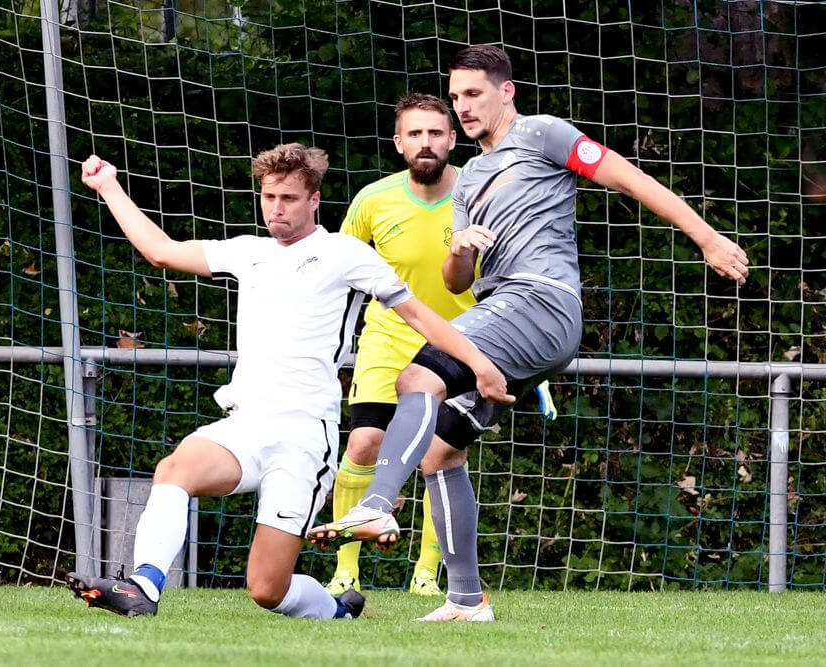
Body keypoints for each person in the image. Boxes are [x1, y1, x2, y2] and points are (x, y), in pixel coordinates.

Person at [309, 44, 750, 621]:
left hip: (542, 301)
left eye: (473, 95)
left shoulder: (543, 134)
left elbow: (632, 179)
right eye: (456, 97)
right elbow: (457, 278)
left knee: (418, 373)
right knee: (440, 453)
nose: (463, 107)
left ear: (505, 92)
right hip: (508, 313)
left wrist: (707, 238)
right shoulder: (467, 183)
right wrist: (460, 251)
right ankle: (467, 599)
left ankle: (374, 502)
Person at [66, 143, 511, 620]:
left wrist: (480, 364)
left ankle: (339, 612)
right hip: (245, 425)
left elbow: (422, 317)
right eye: (269, 196)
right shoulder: (248, 252)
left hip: (303, 438)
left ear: (314, 201)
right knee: (175, 469)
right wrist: (108, 186)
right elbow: (160, 252)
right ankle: (144, 587)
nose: (276, 208)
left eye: (289, 198)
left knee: (267, 588)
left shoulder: (344, 254)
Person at [327, 93, 556, 598]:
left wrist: (527, 350)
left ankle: (427, 576)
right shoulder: (372, 200)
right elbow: (337, 271)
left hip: (462, 342)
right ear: (398, 142)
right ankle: (345, 568)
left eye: (436, 132)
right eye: (415, 133)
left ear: (453, 139)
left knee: (439, 453)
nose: (425, 142)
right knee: (364, 443)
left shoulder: (481, 191)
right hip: (389, 339)